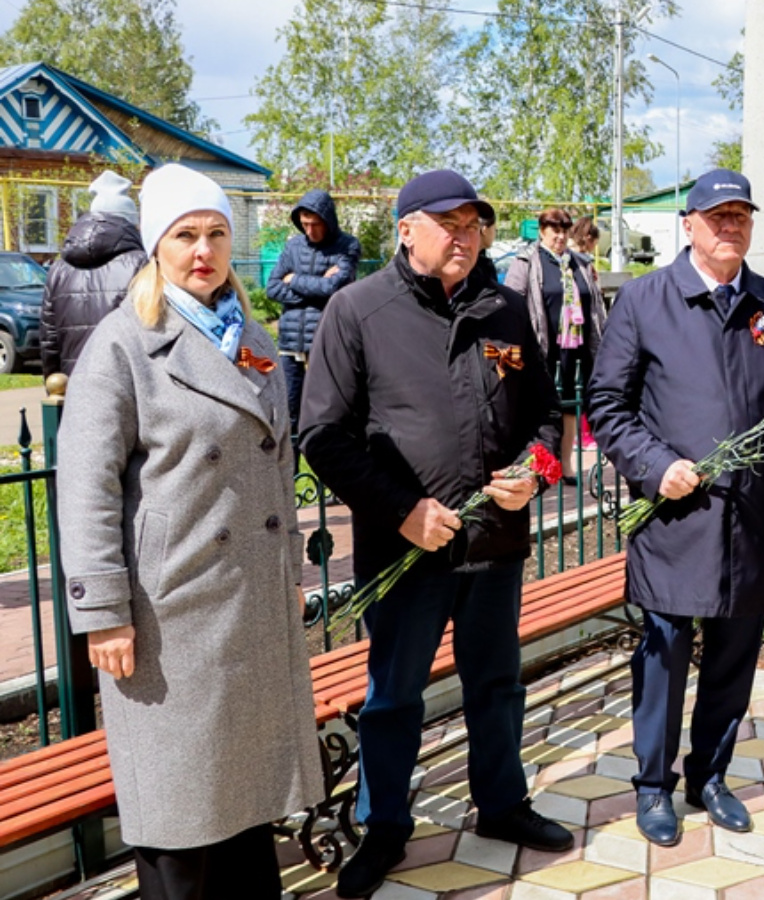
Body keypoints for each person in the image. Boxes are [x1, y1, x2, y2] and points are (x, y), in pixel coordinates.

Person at [300, 169, 571, 898]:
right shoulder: (358, 311)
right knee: (393, 696)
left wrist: (534, 471)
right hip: (405, 551)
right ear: (405, 229)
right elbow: (322, 436)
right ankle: (384, 825)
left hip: (492, 545)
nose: (462, 235)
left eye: (473, 223)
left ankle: (502, 805)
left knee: (496, 683)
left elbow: (545, 415)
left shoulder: (506, 311)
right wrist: (402, 511)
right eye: (446, 222)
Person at [57, 163, 322, 899]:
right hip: (168, 618)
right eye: (184, 236)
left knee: (247, 810)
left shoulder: (252, 335)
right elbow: (85, 488)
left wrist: (287, 579)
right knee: (179, 823)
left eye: (215, 234)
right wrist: (104, 612)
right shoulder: (123, 344)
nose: (202, 251)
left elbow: (276, 471)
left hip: (248, 607)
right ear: (156, 247)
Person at [588, 168, 764, 848]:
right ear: (688, 225)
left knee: (734, 659)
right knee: (664, 658)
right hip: (675, 520)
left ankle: (708, 776)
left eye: (742, 215)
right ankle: (653, 786)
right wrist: (658, 468)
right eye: (717, 217)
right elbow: (607, 406)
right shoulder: (647, 301)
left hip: (752, 523)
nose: (731, 226)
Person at [505, 208, 605, 483]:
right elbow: (513, 302)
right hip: (542, 346)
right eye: (554, 231)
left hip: (577, 346)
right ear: (542, 231)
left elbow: (594, 303)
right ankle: (539, 461)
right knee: (541, 404)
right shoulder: (527, 261)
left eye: (564, 231)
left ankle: (567, 462)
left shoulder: (580, 264)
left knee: (573, 404)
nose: (560, 237)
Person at [265, 189, 362, 443]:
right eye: (305, 224)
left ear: (328, 221)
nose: (309, 230)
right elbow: (272, 287)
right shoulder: (293, 246)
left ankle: (328, 471)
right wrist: (317, 287)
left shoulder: (347, 246)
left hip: (325, 341)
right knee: (289, 411)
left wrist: (294, 279)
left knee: (329, 412)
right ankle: (292, 473)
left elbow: (335, 289)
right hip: (290, 343)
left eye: (315, 224)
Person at [41, 170, 147, 377]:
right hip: (124, 385)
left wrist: (55, 391)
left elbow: (49, 340)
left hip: (74, 386)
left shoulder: (59, 268)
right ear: (131, 222)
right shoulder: (141, 263)